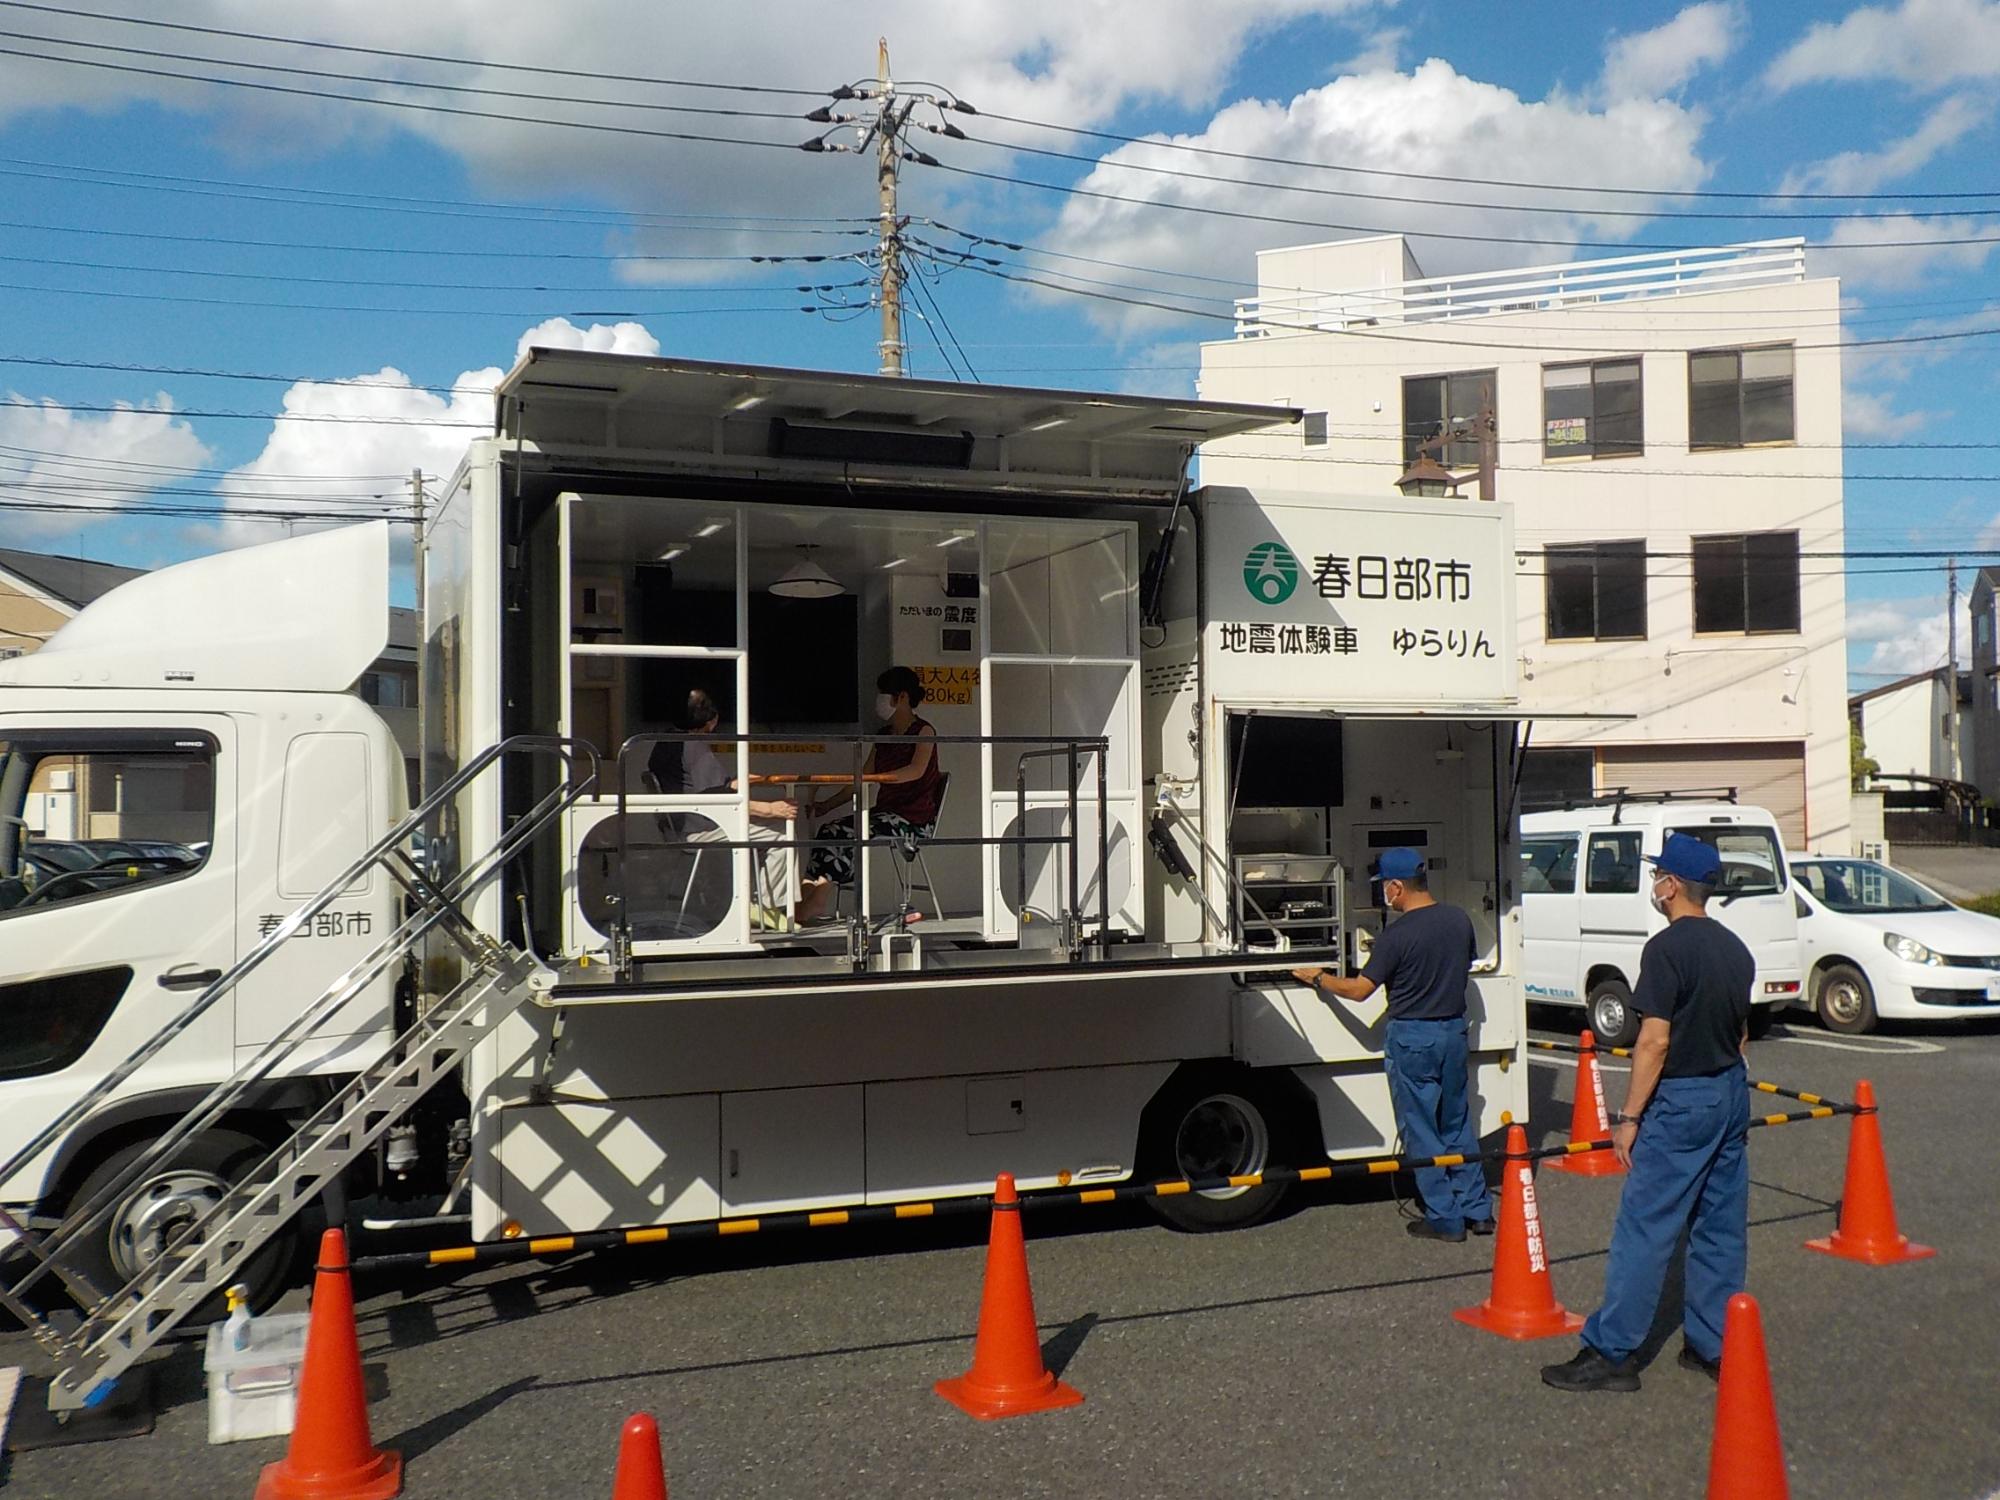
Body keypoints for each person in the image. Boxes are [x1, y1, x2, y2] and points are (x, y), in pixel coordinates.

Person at [1541, 832, 1752, 1394]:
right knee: (1719, 1226)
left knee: (1646, 1226)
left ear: (1673, 885)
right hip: (1729, 1090)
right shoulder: (1735, 947)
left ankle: (1612, 1352)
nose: (1654, 884)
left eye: (1659, 875)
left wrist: (1629, 1116)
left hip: (1682, 1100)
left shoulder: (1666, 949)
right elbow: (1742, 1032)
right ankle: (1714, 1345)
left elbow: (1653, 1041)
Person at [1291, 847, 1495, 1242]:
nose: (1383, 894)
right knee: (1456, 1123)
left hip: (1412, 1038)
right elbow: (1462, 966)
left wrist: (1318, 978)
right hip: (1453, 1032)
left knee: (1421, 1129)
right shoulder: (1458, 920)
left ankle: (1444, 1218)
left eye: (1384, 887)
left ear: (1397, 887)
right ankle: (1479, 1210)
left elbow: (1358, 991)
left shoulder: (1395, 936)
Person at [796, 666, 940, 925]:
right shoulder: (884, 736)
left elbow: (915, 771)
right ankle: (807, 899)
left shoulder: (924, 731)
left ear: (903, 697)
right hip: (884, 813)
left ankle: (817, 901)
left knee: (847, 832)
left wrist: (877, 779)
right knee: (829, 829)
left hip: (912, 818)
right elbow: (862, 779)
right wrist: (826, 806)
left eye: (886, 694)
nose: (880, 701)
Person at [651, 689, 800, 926]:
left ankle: (758, 904)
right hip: (700, 828)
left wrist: (744, 780)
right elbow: (717, 799)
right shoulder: (694, 746)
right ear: (712, 721)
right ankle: (763, 908)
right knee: (782, 836)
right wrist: (770, 809)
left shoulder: (665, 741)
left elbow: (707, 785)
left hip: (677, 827)